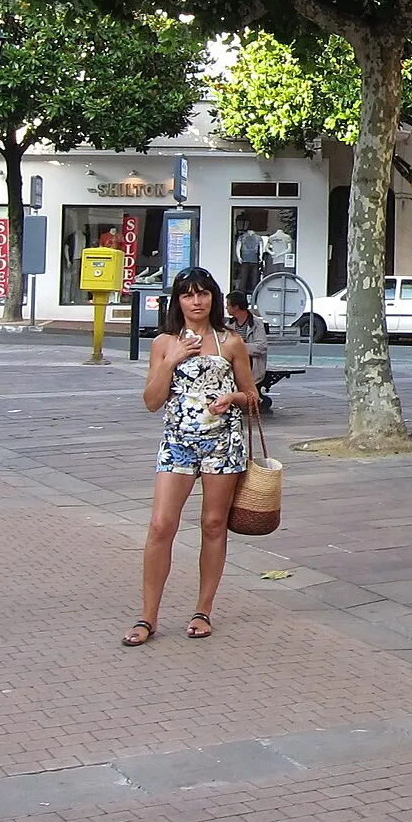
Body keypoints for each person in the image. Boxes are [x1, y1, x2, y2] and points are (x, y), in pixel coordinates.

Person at [123, 266, 260, 648]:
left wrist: (232, 397)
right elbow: (151, 403)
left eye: (203, 294)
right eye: (188, 294)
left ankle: (203, 609)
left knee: (214, 524)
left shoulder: (231, 342)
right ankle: (147, 616)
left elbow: (253, 398)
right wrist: (172, 360)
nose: (196, 301)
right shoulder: (164, 342)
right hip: (177, 443)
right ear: (177, 300)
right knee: (160, 524)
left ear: (214, 297)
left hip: (222, 444)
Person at [226, 292, 269, 387]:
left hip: (252, 369)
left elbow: (261, 347)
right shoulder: (229, 325)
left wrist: (239, 347)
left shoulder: (256, 323)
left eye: (228, 305)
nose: (226, 308)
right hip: (233, 370)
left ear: (236, 307)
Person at [232, 219, 264, 294]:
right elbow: (261, 248)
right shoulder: (258, 238)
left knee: (243, 278)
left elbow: (238, 247)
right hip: (254, 260)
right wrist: (261, 257)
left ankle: (241, 294)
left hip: (245, 260)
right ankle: (254, 294)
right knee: (254, 279)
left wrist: (239, 257)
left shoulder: (242, 237)